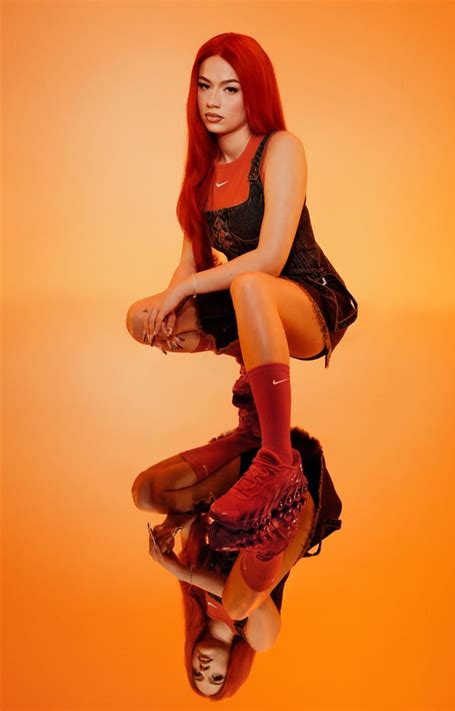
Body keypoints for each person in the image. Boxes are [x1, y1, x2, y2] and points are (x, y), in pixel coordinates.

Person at [126, 32, 358, 570]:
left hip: (310, 300)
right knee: (140, 316)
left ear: (254, 93)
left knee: (250, 284)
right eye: (205, 86)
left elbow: (271, 258)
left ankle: (278, 460)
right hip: (243, 298)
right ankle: (252, 412)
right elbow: (189, 265)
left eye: (230, 89)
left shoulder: (280, 148)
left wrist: (186, 289)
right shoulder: (202, 170)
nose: (213, 101)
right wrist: (170, 297)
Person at [134, 424, 343, 700]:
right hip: (295, 501)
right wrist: (180, 571)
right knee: (239, 604)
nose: (204, 669)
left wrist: (169, 528)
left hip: (251, 479)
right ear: (233, 669)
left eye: (196, 674)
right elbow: (249, 600)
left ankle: (249, 435)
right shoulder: (257, 638)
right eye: (216, 677)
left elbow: (191, 517)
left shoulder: (196, 596)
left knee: (145, 494)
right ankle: (281, 484)